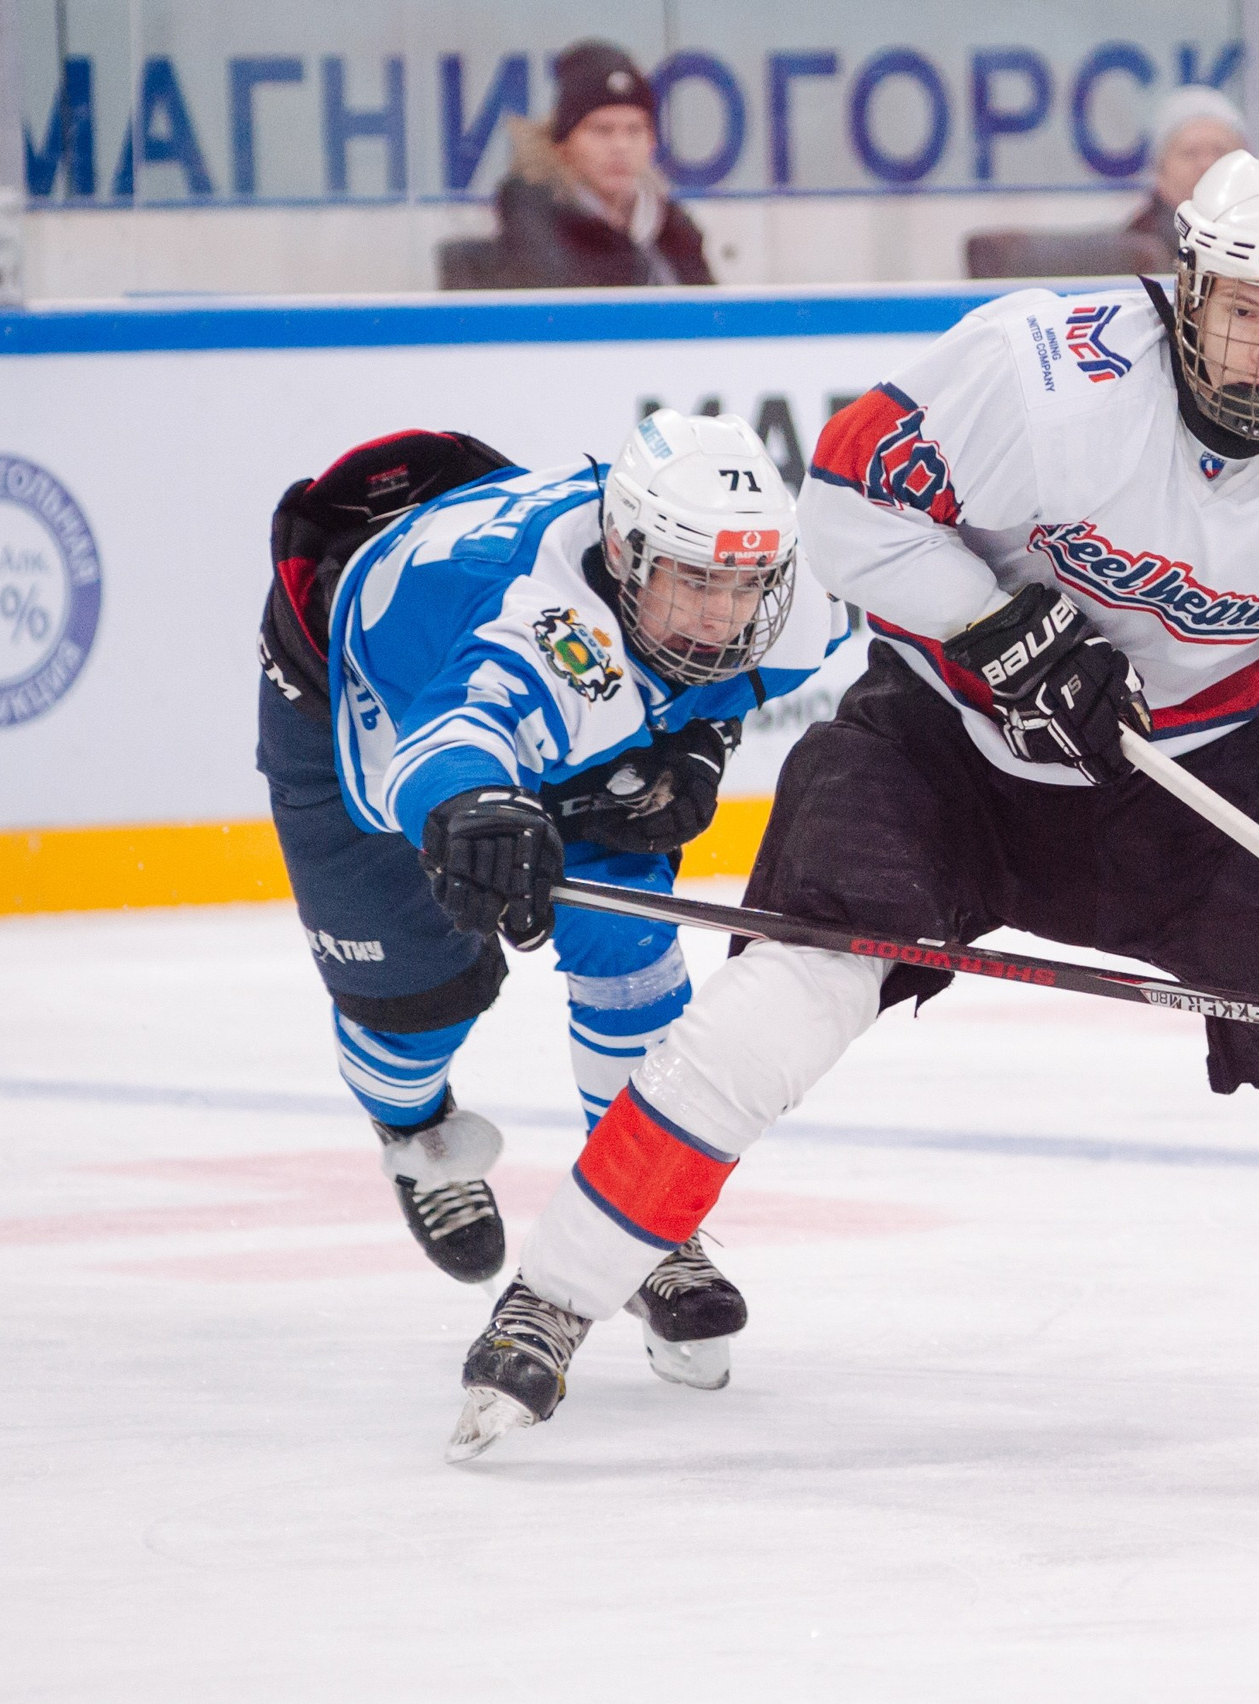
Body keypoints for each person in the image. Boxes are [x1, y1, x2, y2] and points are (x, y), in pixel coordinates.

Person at [444, 151, 1259, 1462]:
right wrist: (998, 627)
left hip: (1188, 790)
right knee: (780, 1007)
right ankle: (552, 1302)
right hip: (939, 750)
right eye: (1245, 308)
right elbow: (849, 499)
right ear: (1188, 291)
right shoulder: (1043, 370)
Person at [254, 409, 845, 1391]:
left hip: (534, 685)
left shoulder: (775, 600)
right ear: (626, 557)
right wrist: (476, 808)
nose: (722, 615)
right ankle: (414, 1133)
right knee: (416, 1003)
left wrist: (699, 743)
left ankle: (646, 1219)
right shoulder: (539, 622)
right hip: (346, 694)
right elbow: (452, 737)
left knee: (626, 934)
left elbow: (738, 672)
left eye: (744, 584)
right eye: (697, 581)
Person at [485, 40, 714, 288]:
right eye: (602, 130)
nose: (620, 146)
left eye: (634, 130)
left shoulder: (672, 230)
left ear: (651, 142)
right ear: (563, 144)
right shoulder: (534, 221)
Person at [1123, 85, 1249, 248]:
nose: (1207, 165)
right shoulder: (1135, 249)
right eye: (1190, 153)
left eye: (1220, 151)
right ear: (1160, 172)